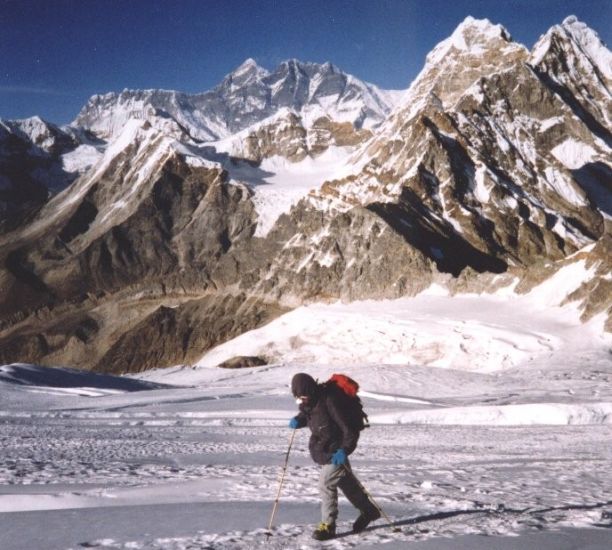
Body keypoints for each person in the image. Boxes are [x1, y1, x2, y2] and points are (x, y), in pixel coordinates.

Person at [289, 372, 380, 540]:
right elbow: (310, 414)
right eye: (298, 398)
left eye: (303, 397)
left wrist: (344, 450)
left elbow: (349, 430)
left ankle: (328, 526)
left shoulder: (330, 401)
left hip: (337, 450)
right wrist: (299, 420)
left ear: (309, 390)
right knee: (347, 484)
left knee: (326, 483)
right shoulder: (310, 401)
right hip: (325, 450)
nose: (301, 401)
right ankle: (369, 511)